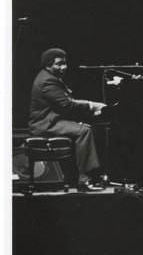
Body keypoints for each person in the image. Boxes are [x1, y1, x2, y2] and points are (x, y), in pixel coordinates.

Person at [29, 48, 106, 191]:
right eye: (59, 64)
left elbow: (68, 101)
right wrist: (93, 106)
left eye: (64, 63)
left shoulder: (50, 77)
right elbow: (67, 105)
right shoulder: (48, 81)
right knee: (84, 131)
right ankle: (84, 179)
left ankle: (94, 176)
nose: (64, 67)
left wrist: (93, 104)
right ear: (47, 65)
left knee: (89, 128)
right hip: (46, 123)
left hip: (54, 120)